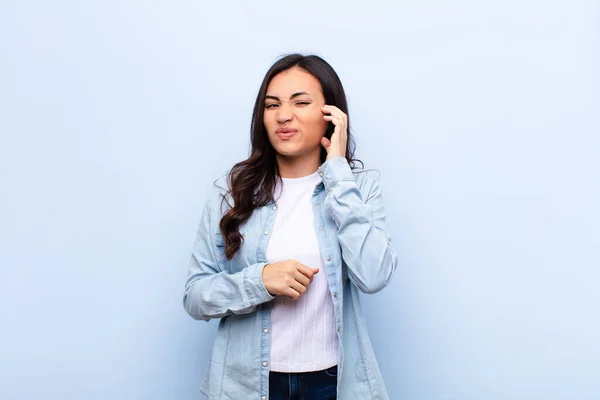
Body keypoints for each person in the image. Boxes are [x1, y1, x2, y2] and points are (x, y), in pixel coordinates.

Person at [183, 53, 398, 400]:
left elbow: (374, 276)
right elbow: (195, 297)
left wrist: (339, 173)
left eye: (300, 102)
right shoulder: (230, 192)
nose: (284, 115)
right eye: (272, 105)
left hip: (333, 384)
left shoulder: (359, 188)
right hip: (248, 386)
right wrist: (260, 281)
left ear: (330, 114)